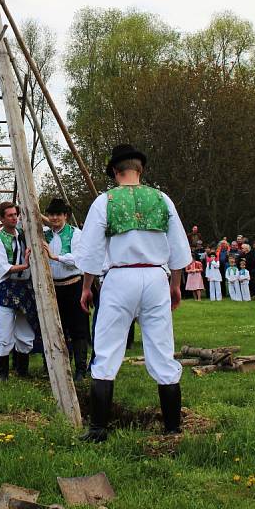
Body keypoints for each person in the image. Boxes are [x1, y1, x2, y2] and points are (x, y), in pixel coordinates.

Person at [77, 144, 191, 442]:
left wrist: (87, 288)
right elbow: (179, 248)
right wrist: (175, 285)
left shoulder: (105, 201)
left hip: (119, 277)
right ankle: (172, 428)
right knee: (162, 349)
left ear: (116, 171)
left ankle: (98, 429)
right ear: (140, 170)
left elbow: (90, 252)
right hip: (156, 277)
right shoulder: (162, 199)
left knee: (107, 349)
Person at [42, 198, 89, 382]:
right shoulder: (45, 234)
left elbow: (79, 258)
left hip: (73, 285)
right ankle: (55, 366)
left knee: (78, 328)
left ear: (66, 216)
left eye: (58, 215)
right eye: (51, 214)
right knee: (54, 327)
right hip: (53, 287)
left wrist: (56, 257)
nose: (54, 218)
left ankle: (80, 369)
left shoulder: (76, 233)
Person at [0, 202, 35, 380]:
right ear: (1, 218)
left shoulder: (23, 235)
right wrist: (24, 265)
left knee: (25, 328)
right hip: (8, 286)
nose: (14, 217)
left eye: (15, 214)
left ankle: (22, 370)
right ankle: (1, 370)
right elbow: (2, 268)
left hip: (25, 285)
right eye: (10, 215)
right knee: (4, 328)